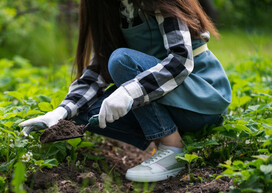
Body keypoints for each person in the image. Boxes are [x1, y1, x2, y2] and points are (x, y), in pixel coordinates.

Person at [19, 0, 232, 182]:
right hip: (169, 99)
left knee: (121, 61)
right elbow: (97, 71)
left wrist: (129, 92)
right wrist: (60, 113)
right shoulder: (112, 8)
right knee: (84, 113)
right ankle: (164, 134)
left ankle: (172, 147)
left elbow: (180, 60)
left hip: (200, 97)